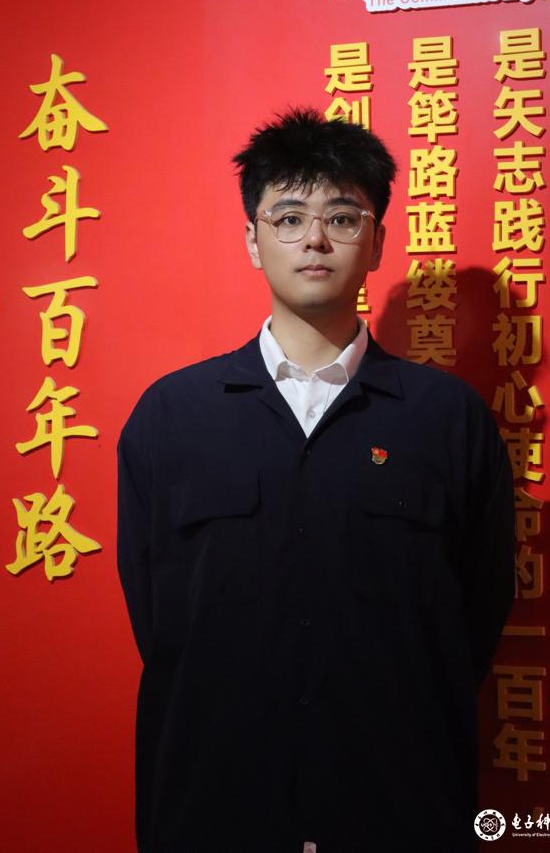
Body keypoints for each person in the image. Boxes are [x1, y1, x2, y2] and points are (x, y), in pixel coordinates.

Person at [117, 108, 514, 853]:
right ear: (252, 238)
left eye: (341, 217)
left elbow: (476, 613)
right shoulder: (172, 415)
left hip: (399, 806)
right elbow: (157, 614)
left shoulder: (446, 418)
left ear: (377, 241)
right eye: (290, 217)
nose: (315, 239)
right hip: (215, 804)